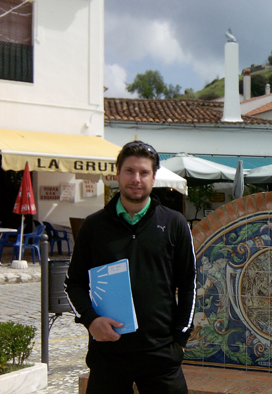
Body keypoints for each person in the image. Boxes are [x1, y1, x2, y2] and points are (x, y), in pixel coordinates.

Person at [65, 141, 197, 393]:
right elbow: (73, 283)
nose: (136, 179)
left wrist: (180, 339)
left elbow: (189, 284)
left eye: (144, 172)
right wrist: (90, 321)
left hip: (160, 353)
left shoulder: (174, 223)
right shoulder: (94, 226)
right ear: (117, 174)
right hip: (108, 353)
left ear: (153, 177)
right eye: (129, 171)